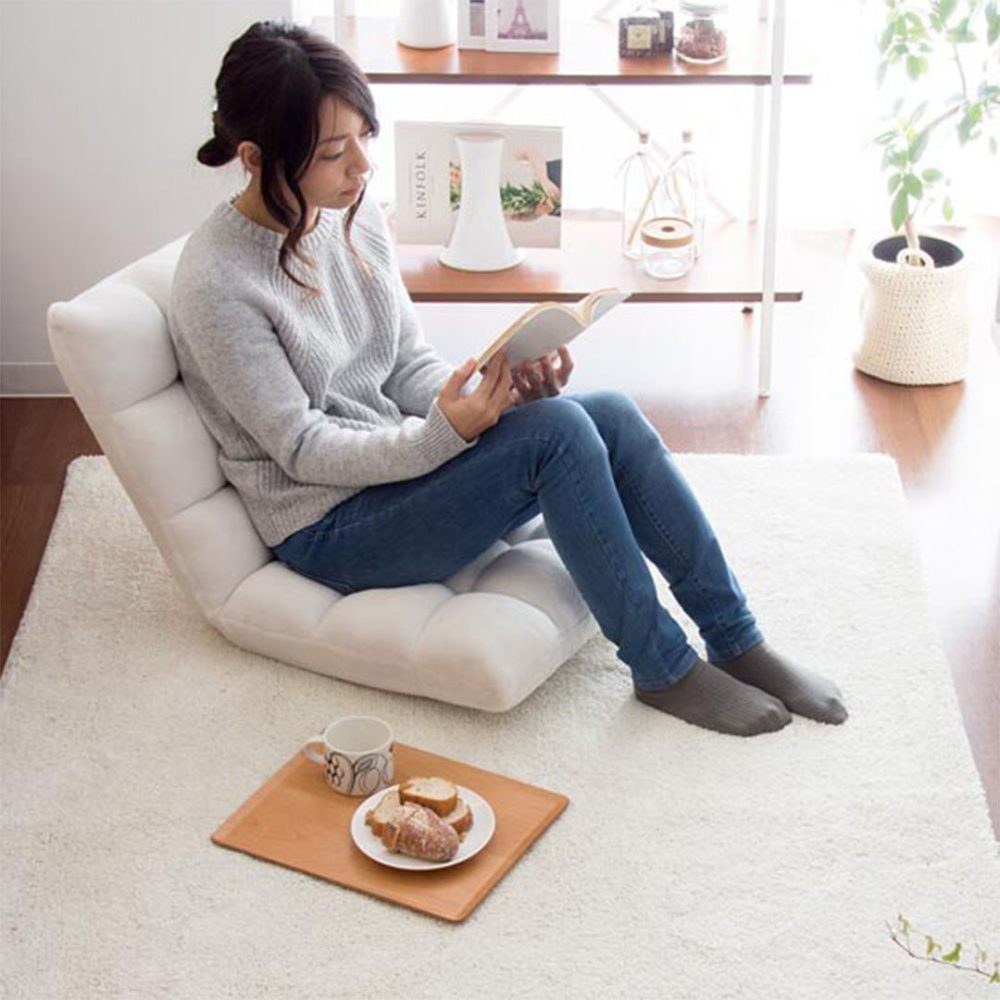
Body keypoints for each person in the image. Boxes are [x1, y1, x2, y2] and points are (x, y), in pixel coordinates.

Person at [170, 20, 848, 737]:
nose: (362, 166)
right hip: (331, 527)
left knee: (609, 414)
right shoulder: (219, 283)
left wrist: (492, 396)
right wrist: (439, 437)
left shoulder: (349, 215)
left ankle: (736, 638)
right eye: (335, 152)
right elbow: (302, 449)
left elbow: (401, 361)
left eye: (364, 137)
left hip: (392, 476)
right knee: (555, 437)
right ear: (255, 157)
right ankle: (662, 667)